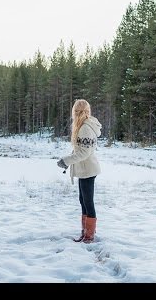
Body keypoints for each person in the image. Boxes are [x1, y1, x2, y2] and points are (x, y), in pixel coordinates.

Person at [57, 99, 102, 243]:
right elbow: (80, 150)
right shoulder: (82, 126)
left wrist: (66, 161)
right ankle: (85, 233)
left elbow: (84, 153)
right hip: (84, 169)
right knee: (83, 200)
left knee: (88, 202)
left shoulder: (85, 128)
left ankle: (89, 236)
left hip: (88, 169)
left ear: (75, 111)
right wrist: (69, 159)